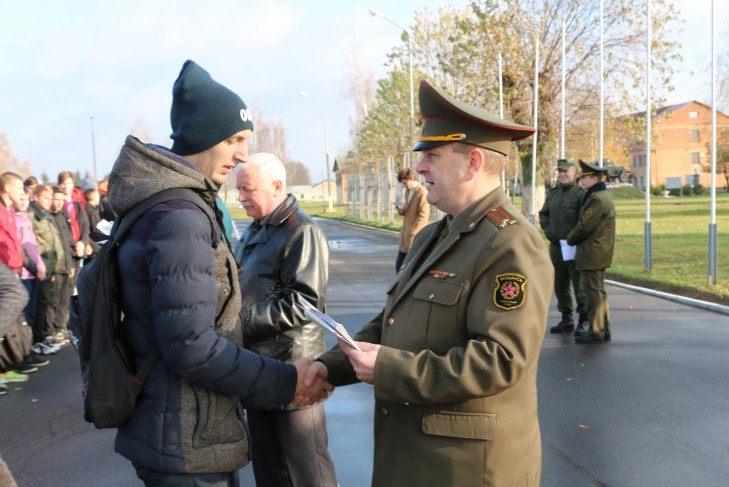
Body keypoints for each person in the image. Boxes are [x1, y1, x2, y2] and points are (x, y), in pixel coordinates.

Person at [306, 80, 553, 486]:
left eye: (432, 156)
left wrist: (388, 368)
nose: (420, 167)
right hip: (418, 458)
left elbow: (500, 359)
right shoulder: (435, 235)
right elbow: (392, 321)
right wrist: (327, 367)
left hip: (467, 468)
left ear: (472, 162)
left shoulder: (511, 242)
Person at [106, 59, 332, 486]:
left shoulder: (172, 205)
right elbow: (190, 344)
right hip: (185, 436)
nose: (243, 153)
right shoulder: (180, 216)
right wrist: (285, 380)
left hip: (183, 425)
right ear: (204, 135)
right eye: (234, 139)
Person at [233, 152, 337, 487]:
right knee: (271, 470)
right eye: (240, 190)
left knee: (307, 473)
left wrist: (238, 322)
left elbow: (304, 302)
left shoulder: (301, 231)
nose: (241, 197)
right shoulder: (255, 230)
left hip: (294, 370)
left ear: (276, 186)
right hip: (260, 369)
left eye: (248, 189)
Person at [566, 160, 616, 344]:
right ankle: (603, 329)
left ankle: (597, 332)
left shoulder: (597, 198)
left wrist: (570, 239)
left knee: (593, 293)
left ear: (594, 178)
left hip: (593, 252)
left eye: (585, 177)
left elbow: (585, 226)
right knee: (598, 292)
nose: (581, 180)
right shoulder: (599, 195)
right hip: (597, 250)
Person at [539, 158, 588, 335]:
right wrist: (547, 230)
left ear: (574, 172)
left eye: (566, 171)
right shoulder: (553, 193)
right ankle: (566, 318)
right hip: (556, 246)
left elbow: (585, 221)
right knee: (560, 284)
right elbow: (543, 213)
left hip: (574, 247)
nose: (562, 174)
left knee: (579, 284)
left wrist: (576, 239)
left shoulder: (580, 194)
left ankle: (584, 319)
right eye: (560, 171)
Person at [29, 185, 65, 356]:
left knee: (48, 303)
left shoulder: (47, 215)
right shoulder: (31, 215)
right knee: (40, 305)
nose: (49, 202)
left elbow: (54, 242)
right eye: (46, 198)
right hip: (39, 268)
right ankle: (38, 339)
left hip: (51, 268)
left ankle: (44, 336)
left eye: (51, 199)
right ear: (35, 197)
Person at [394, 167, 429, 273]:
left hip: (414, 236)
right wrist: (401, 210)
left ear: (412, 179)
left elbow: (423, 215)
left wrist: (413, 232)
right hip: (405, 234)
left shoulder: (422, 192)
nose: (404, 185)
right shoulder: (408, 191)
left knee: (408, 267)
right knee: (399, 266)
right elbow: (408, 210)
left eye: (405, 183)